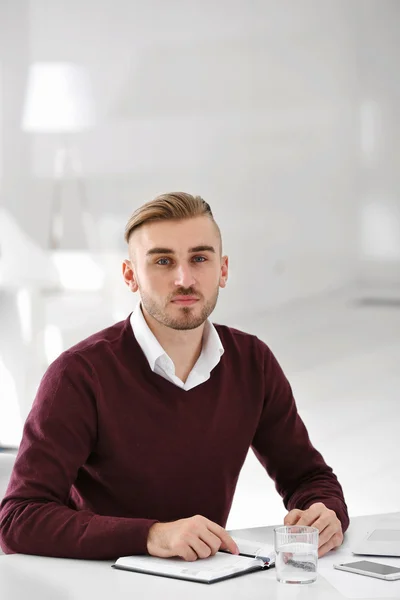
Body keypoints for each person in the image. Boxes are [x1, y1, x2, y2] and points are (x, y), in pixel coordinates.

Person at [0, 192, 348, 561]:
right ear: (130, 276)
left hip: (201, 582)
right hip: (100, 585)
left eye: (199, 258)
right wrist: (151, 536)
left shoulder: (252, 362)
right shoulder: (78, 374)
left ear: (223, 270)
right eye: (163, 261)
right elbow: (18, 519)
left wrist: (325, 511)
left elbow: (310, 478)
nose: (184, 279)